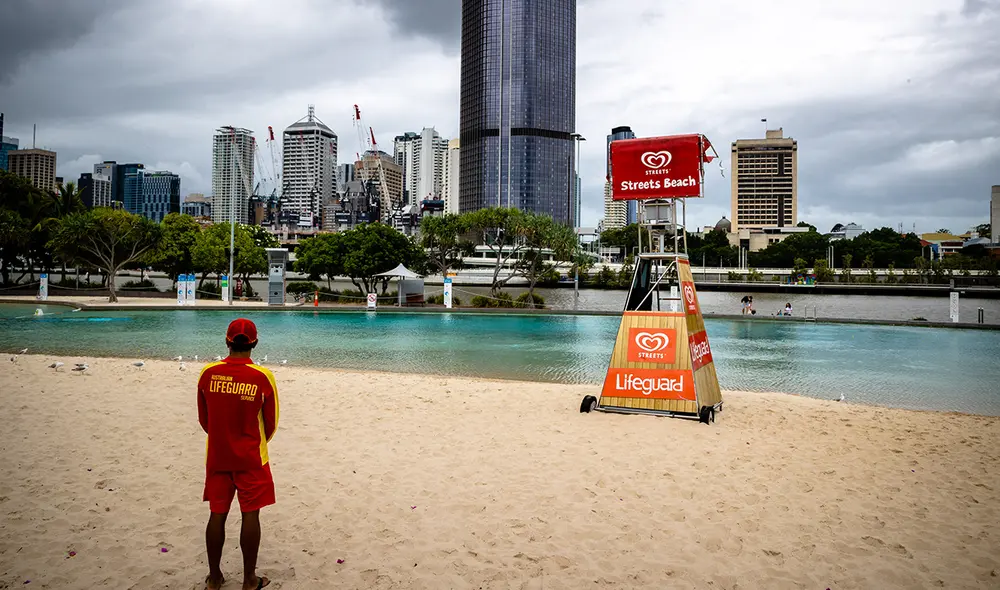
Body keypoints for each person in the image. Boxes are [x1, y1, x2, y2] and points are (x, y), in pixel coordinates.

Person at [198, 318, 279, 590]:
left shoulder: (208, 373)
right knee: (250, 515)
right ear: (255, 343)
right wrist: (250, 442)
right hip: (250, 457)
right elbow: (272, 422)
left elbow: (205, 420)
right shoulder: (262, 377)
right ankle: (249, 579)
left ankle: (215, 578)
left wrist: (223, 438)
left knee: (217, 514)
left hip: (218, 456)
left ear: (227, 341)